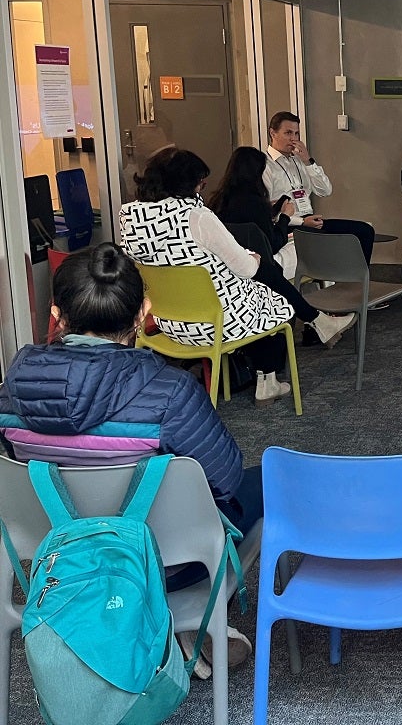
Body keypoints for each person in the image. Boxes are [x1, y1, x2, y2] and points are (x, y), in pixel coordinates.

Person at [0, 243, 257, 676]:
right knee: (260, 485)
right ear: (142, 313)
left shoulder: (11, 391)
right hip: (165, 558)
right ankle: (182, 622)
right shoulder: (170, 392)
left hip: (61, 557)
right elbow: (225, 480)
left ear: (57, 315)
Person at [119, 147, 294, 404]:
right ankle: (267, 379)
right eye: (200, 183)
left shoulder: (129, 216)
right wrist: (253, 258)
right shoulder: (197, 216)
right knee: (271, 296)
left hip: (168, 322)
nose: (201, 189)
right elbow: (246, 268)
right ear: (188, 184)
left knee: (255, 290)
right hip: (216, 325)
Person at [206, 146, 355, 347]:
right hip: (256, 263)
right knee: (315, 248)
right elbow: (272, 243)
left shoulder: (218, 200)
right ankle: (326, 314)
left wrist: (275, 209)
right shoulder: (254, 202)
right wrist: (285, 216)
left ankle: (320, 321)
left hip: (230, 263)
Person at [263, 111, 375, 265]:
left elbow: (325, 190)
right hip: (288, 224)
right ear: (272, 133)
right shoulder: (265, 165)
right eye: (288, 133)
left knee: (364, 231)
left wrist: (308, 161)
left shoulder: (300, 160)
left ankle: (359, 279)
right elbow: (267, 211)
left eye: (296, 133)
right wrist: (301, 222)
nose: (293, 139)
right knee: (324, 240)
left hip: (311, 219)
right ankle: (336, 276)